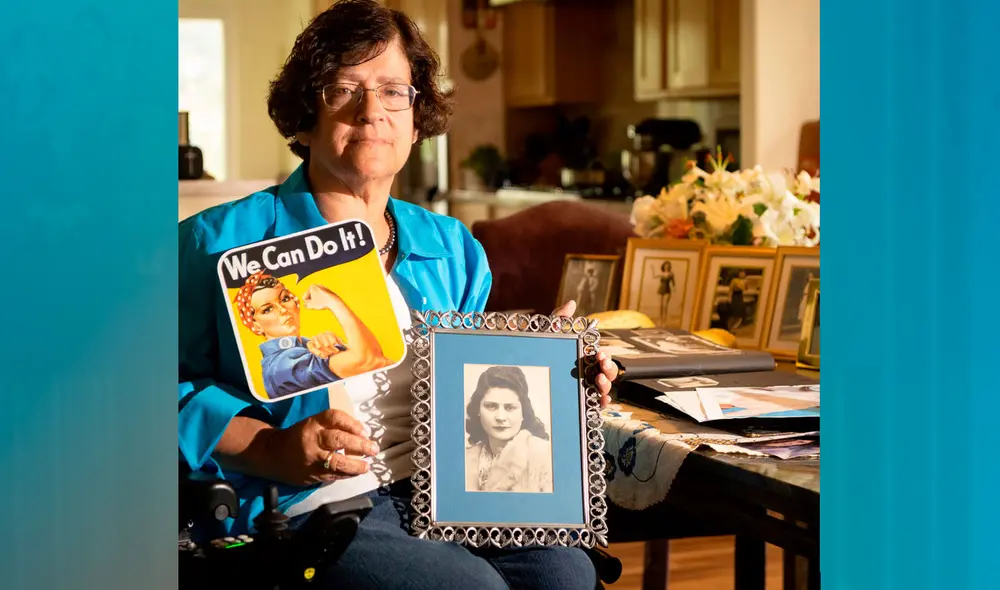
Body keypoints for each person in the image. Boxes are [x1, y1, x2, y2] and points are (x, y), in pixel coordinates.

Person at [177, 2, 618, 588]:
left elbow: (472, 394)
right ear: (305, 116)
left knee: (565, 575)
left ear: (417, 117)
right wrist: (269, 447)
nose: (371, 112)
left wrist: (565, 384)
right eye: (343, 89)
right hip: (312, 505)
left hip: (452, 496)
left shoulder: (453, 247)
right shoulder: (216, 242)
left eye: (393, 92)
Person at [233, 272, 389, 400]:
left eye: (285, 299)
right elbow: (369, 360)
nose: (283, 309)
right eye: (267, 309)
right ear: (255, 324)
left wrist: (342, 348)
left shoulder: (305, 348)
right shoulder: (282, 365)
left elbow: (379, 362)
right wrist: (333, 302)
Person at [465, 365, 553, 493]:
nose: (500, 417)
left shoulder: (546, 456)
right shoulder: (465, 459)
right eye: (491, 406)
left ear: (523, 412)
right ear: (478, 410)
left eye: (510, 408)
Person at [653, 261, 675, 326]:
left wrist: (674, 288)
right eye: (666, 266)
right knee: (660, 306)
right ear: (664, 266)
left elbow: (673, 282)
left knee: (665, 306)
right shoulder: (662, 273)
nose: (667, 267)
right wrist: (652, 269)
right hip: (661, 289)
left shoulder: (671, 274)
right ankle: (660, 319)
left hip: (667, 290)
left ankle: (664, 321)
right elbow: (654, 276)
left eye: (668, 266)